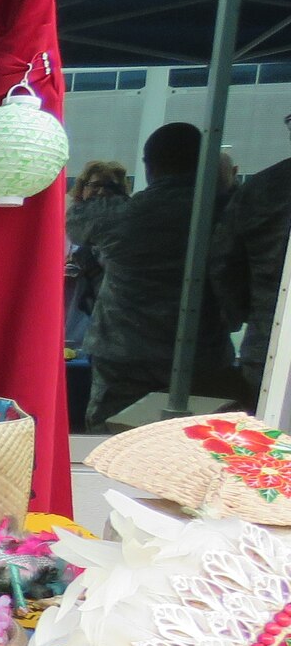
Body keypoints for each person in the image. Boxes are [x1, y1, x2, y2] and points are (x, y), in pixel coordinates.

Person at [79, 122, 237, 428]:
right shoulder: (224, 214)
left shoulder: (122, 215)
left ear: (149, 166)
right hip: (199, 356)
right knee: (191, 447)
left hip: (122, 357)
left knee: (110, 441)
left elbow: (78, 224)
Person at [213, 116, 291, 407]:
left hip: (269, 343)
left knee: (268, 443)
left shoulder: (262, 188)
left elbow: (223, 262)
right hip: (267, 339)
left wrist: (241, 313)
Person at [65, 159, 128, 349]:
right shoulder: (68, 224)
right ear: (82, 188)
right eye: (95, 185)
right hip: (71, 306)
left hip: (107, 310)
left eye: (110, 186)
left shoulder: (125, 227)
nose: (101, 191)